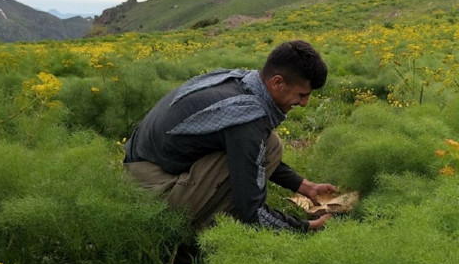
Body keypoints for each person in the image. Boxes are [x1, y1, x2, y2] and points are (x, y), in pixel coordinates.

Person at [123, 40, 335, 233]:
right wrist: (305, 227)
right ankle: (196, 229)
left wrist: (304, 186)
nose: (305, 103)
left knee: (268, 144)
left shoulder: (241, 81)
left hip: (140, 171)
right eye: (302, 95)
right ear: (277, 82)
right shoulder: (246, 117)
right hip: (150, 194)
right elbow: (252, 213)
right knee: (270, 147)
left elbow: (251, 154)